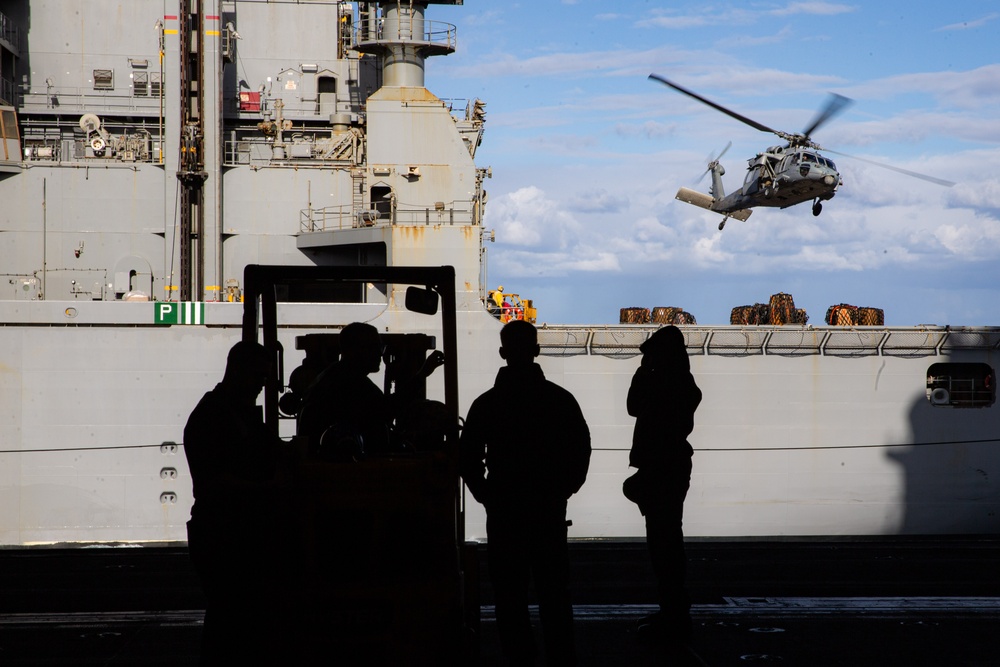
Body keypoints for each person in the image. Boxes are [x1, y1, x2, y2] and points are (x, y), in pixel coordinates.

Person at [461, 320, 591, 666]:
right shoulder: (560, 400)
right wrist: (563, 490)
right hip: (547, 509)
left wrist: (486, 495)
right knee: (554, 595)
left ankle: (520, 658)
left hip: (504, 510)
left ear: (502, 353)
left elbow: (468, 457)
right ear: (537, 350)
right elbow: (580, 450)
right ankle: (561, 657)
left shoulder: (486, 403)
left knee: (509, 596)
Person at [183, 340, 293, 664]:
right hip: (226, 535)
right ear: (240, 372)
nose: (262, 386)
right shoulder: (216, 416)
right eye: (259, 377)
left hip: (229, 533)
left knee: (233, 623)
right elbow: (216, 481)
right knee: (231, 622)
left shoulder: (231, 411)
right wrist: (270, 488)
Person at [624, 326, 702, 644]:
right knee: (667, 541)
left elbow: (632, 406)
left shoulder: (660, 381)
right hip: (670, 467)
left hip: (661, 468)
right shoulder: (684, 383)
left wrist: (643, 371)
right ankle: (672, 609)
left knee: (664, 544)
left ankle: (674, 613)